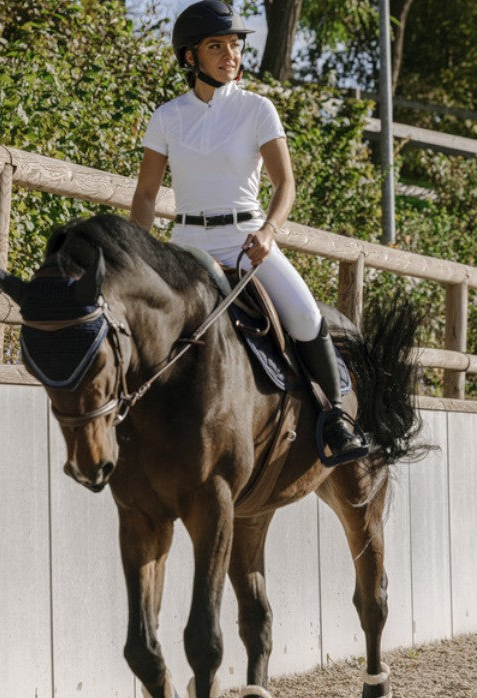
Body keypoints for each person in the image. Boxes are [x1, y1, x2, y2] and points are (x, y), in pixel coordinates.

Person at [130, 0, 365, 462]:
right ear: (190, 57)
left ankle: (337, 416)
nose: (230, 55)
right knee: (143, 321)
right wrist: (139, 252)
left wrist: (269, 232)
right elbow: (145, 196)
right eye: (216, 46)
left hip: (246, 240)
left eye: (235, 45)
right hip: (186, 244)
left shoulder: (258, 110)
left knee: (304, 315)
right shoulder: (167, 117)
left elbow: (285, 184)